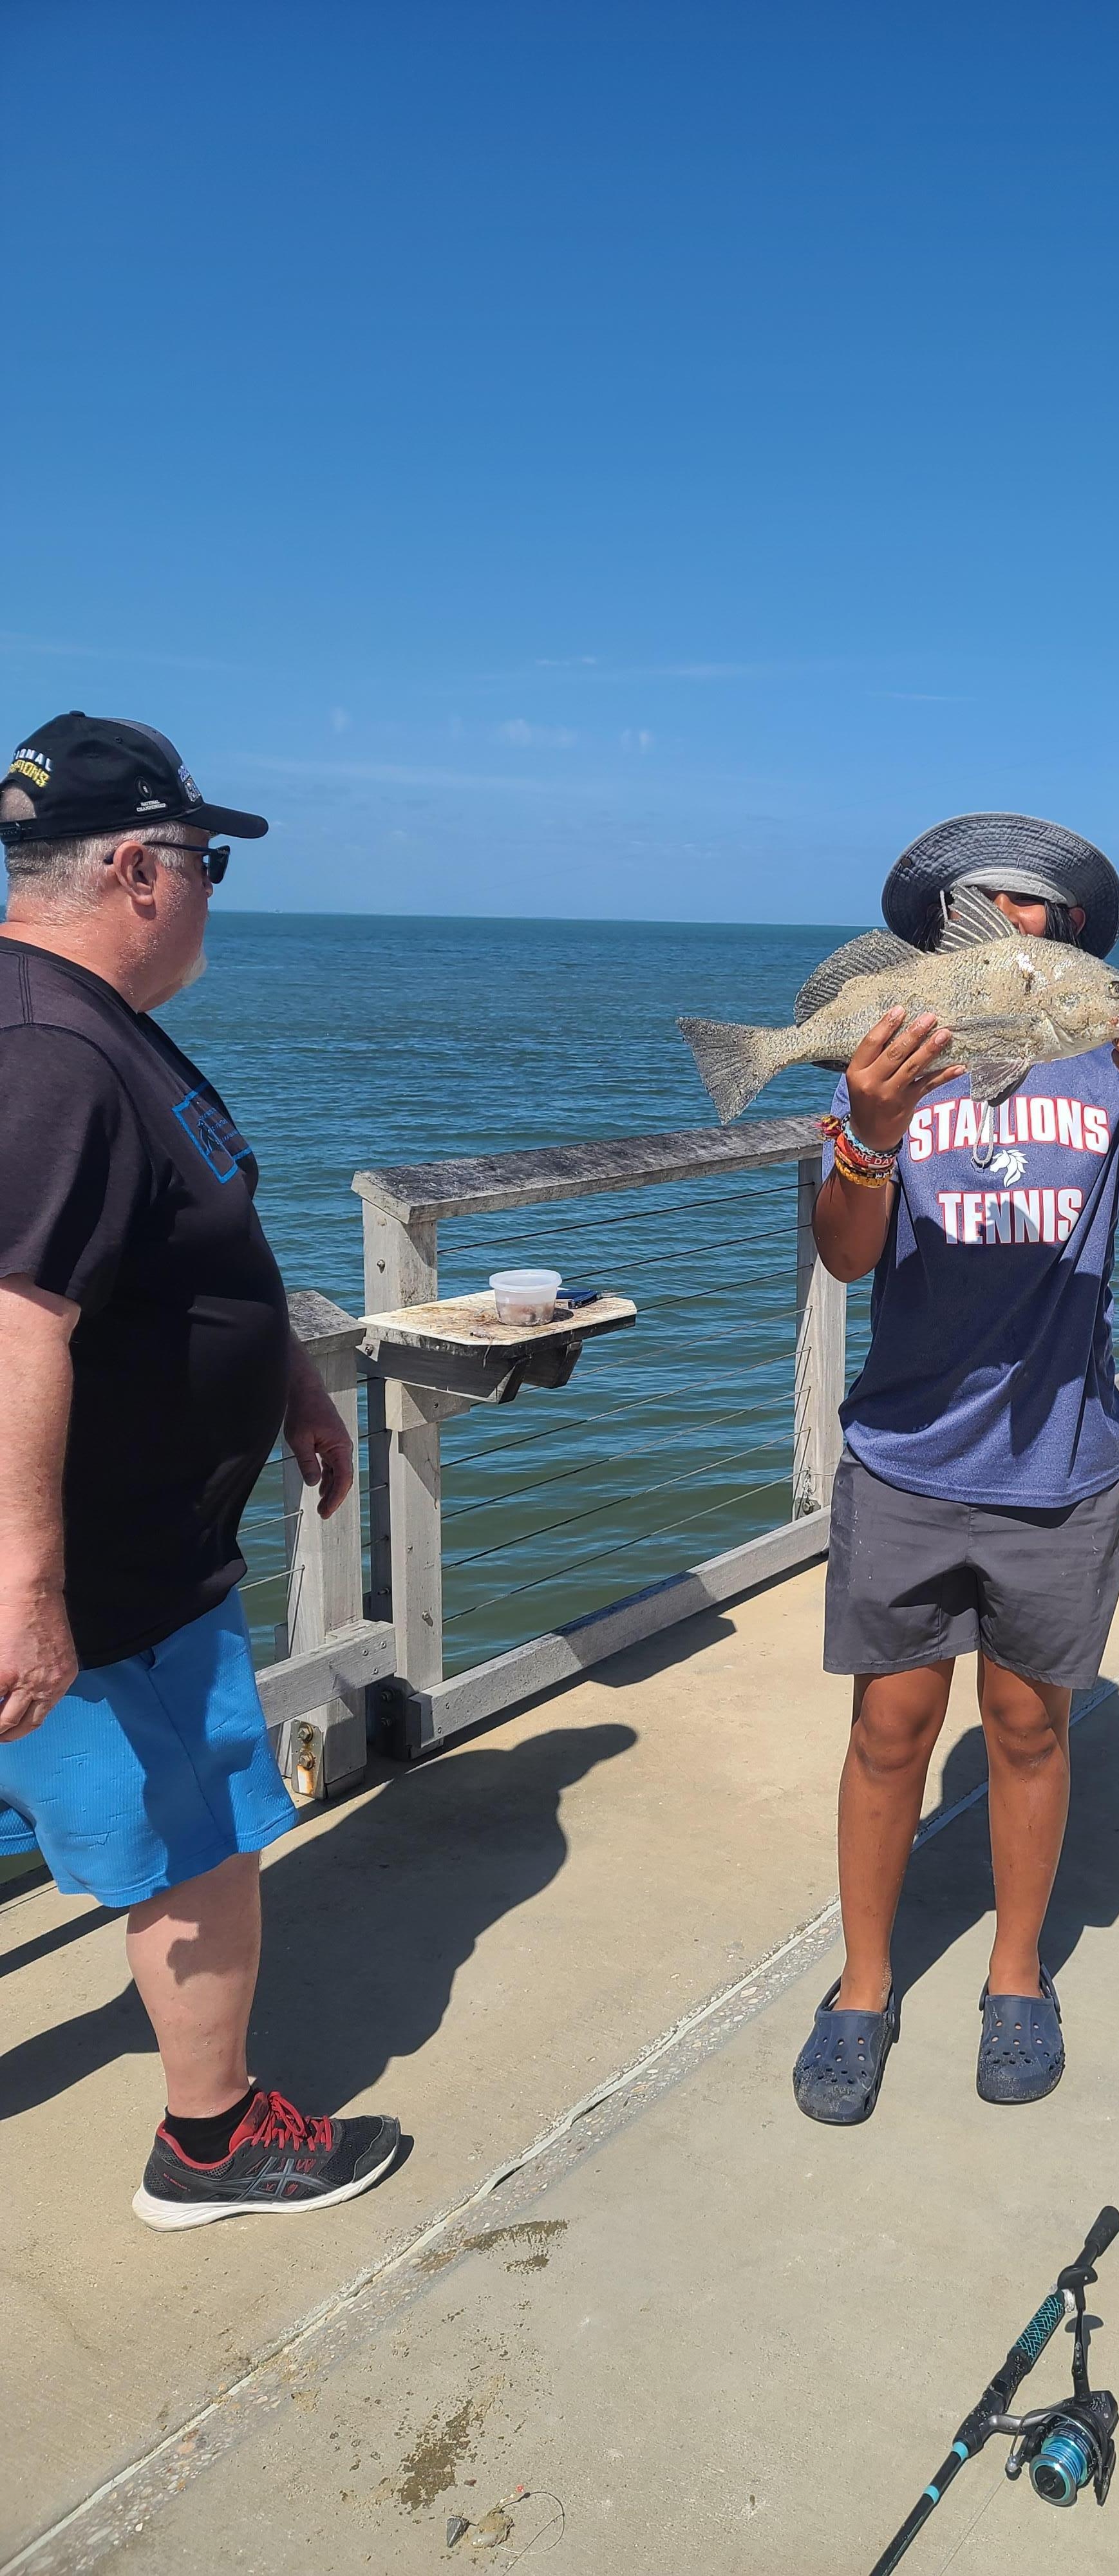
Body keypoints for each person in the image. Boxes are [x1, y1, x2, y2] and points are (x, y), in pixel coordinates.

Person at [0, 711, 400, 2228]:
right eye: (206, 861)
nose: (212, 894)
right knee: (201, 1837)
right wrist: (28, 1585)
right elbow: (16, 1320)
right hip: (110, 1574)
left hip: (112, 1549)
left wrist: (286, 1377)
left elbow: (183, 1240)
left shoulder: (87, 1020)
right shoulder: (51, 1050)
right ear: (136, 869)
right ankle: (214, 2138)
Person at [793, 812, 1119, 2123]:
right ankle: (863, 1987)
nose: (1012, 918)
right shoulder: (891, 1055)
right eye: (984, 899)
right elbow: (845, 1253)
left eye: (1037, 904)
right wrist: (868, 1130)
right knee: (889, 1730)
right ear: (941, 928)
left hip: (1061, 1464)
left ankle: (1015, 1975)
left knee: (1029, 1725)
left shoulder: (1107, 1067)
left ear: (1073, 938)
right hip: (904, 1459)